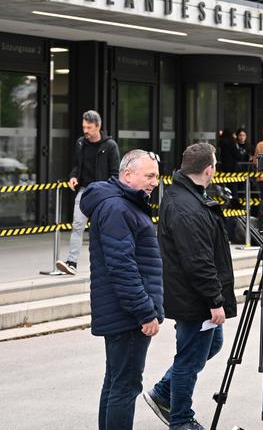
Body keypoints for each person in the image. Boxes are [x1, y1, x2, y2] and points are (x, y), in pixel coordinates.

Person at [144, 143, 236, 430]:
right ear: (209, 170)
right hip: (193, 298)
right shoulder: (188, 207)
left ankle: (162, 391)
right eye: (216, 164)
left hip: (191, 294)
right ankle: (181, 419)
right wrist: (214, 300)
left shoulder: (187, 194)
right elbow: (198, 261)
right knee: (189, 358)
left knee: (211, 344)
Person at [79, 149, 163, 430]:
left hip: (121, 311)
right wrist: (145, 312)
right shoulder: (117, 207)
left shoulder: (124, 204)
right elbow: (122, 266)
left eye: (157, 176)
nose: (155, 182)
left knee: (115, 383)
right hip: (127, 314)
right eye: (149, 176)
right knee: (125, 386)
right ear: (127, 175)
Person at [56, 110, 120, 275]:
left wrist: (109, 193)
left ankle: (109, 264)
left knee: (104, 229)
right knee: (77, 226)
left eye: (89, 127)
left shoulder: (110, 146)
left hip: (103, 193)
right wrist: (73, 177)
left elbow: (115, 174)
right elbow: (77, 166)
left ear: (98, 126)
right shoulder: (80, 143)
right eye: (84, 127)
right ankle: (72, 263)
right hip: (84, 190)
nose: (85, 130)